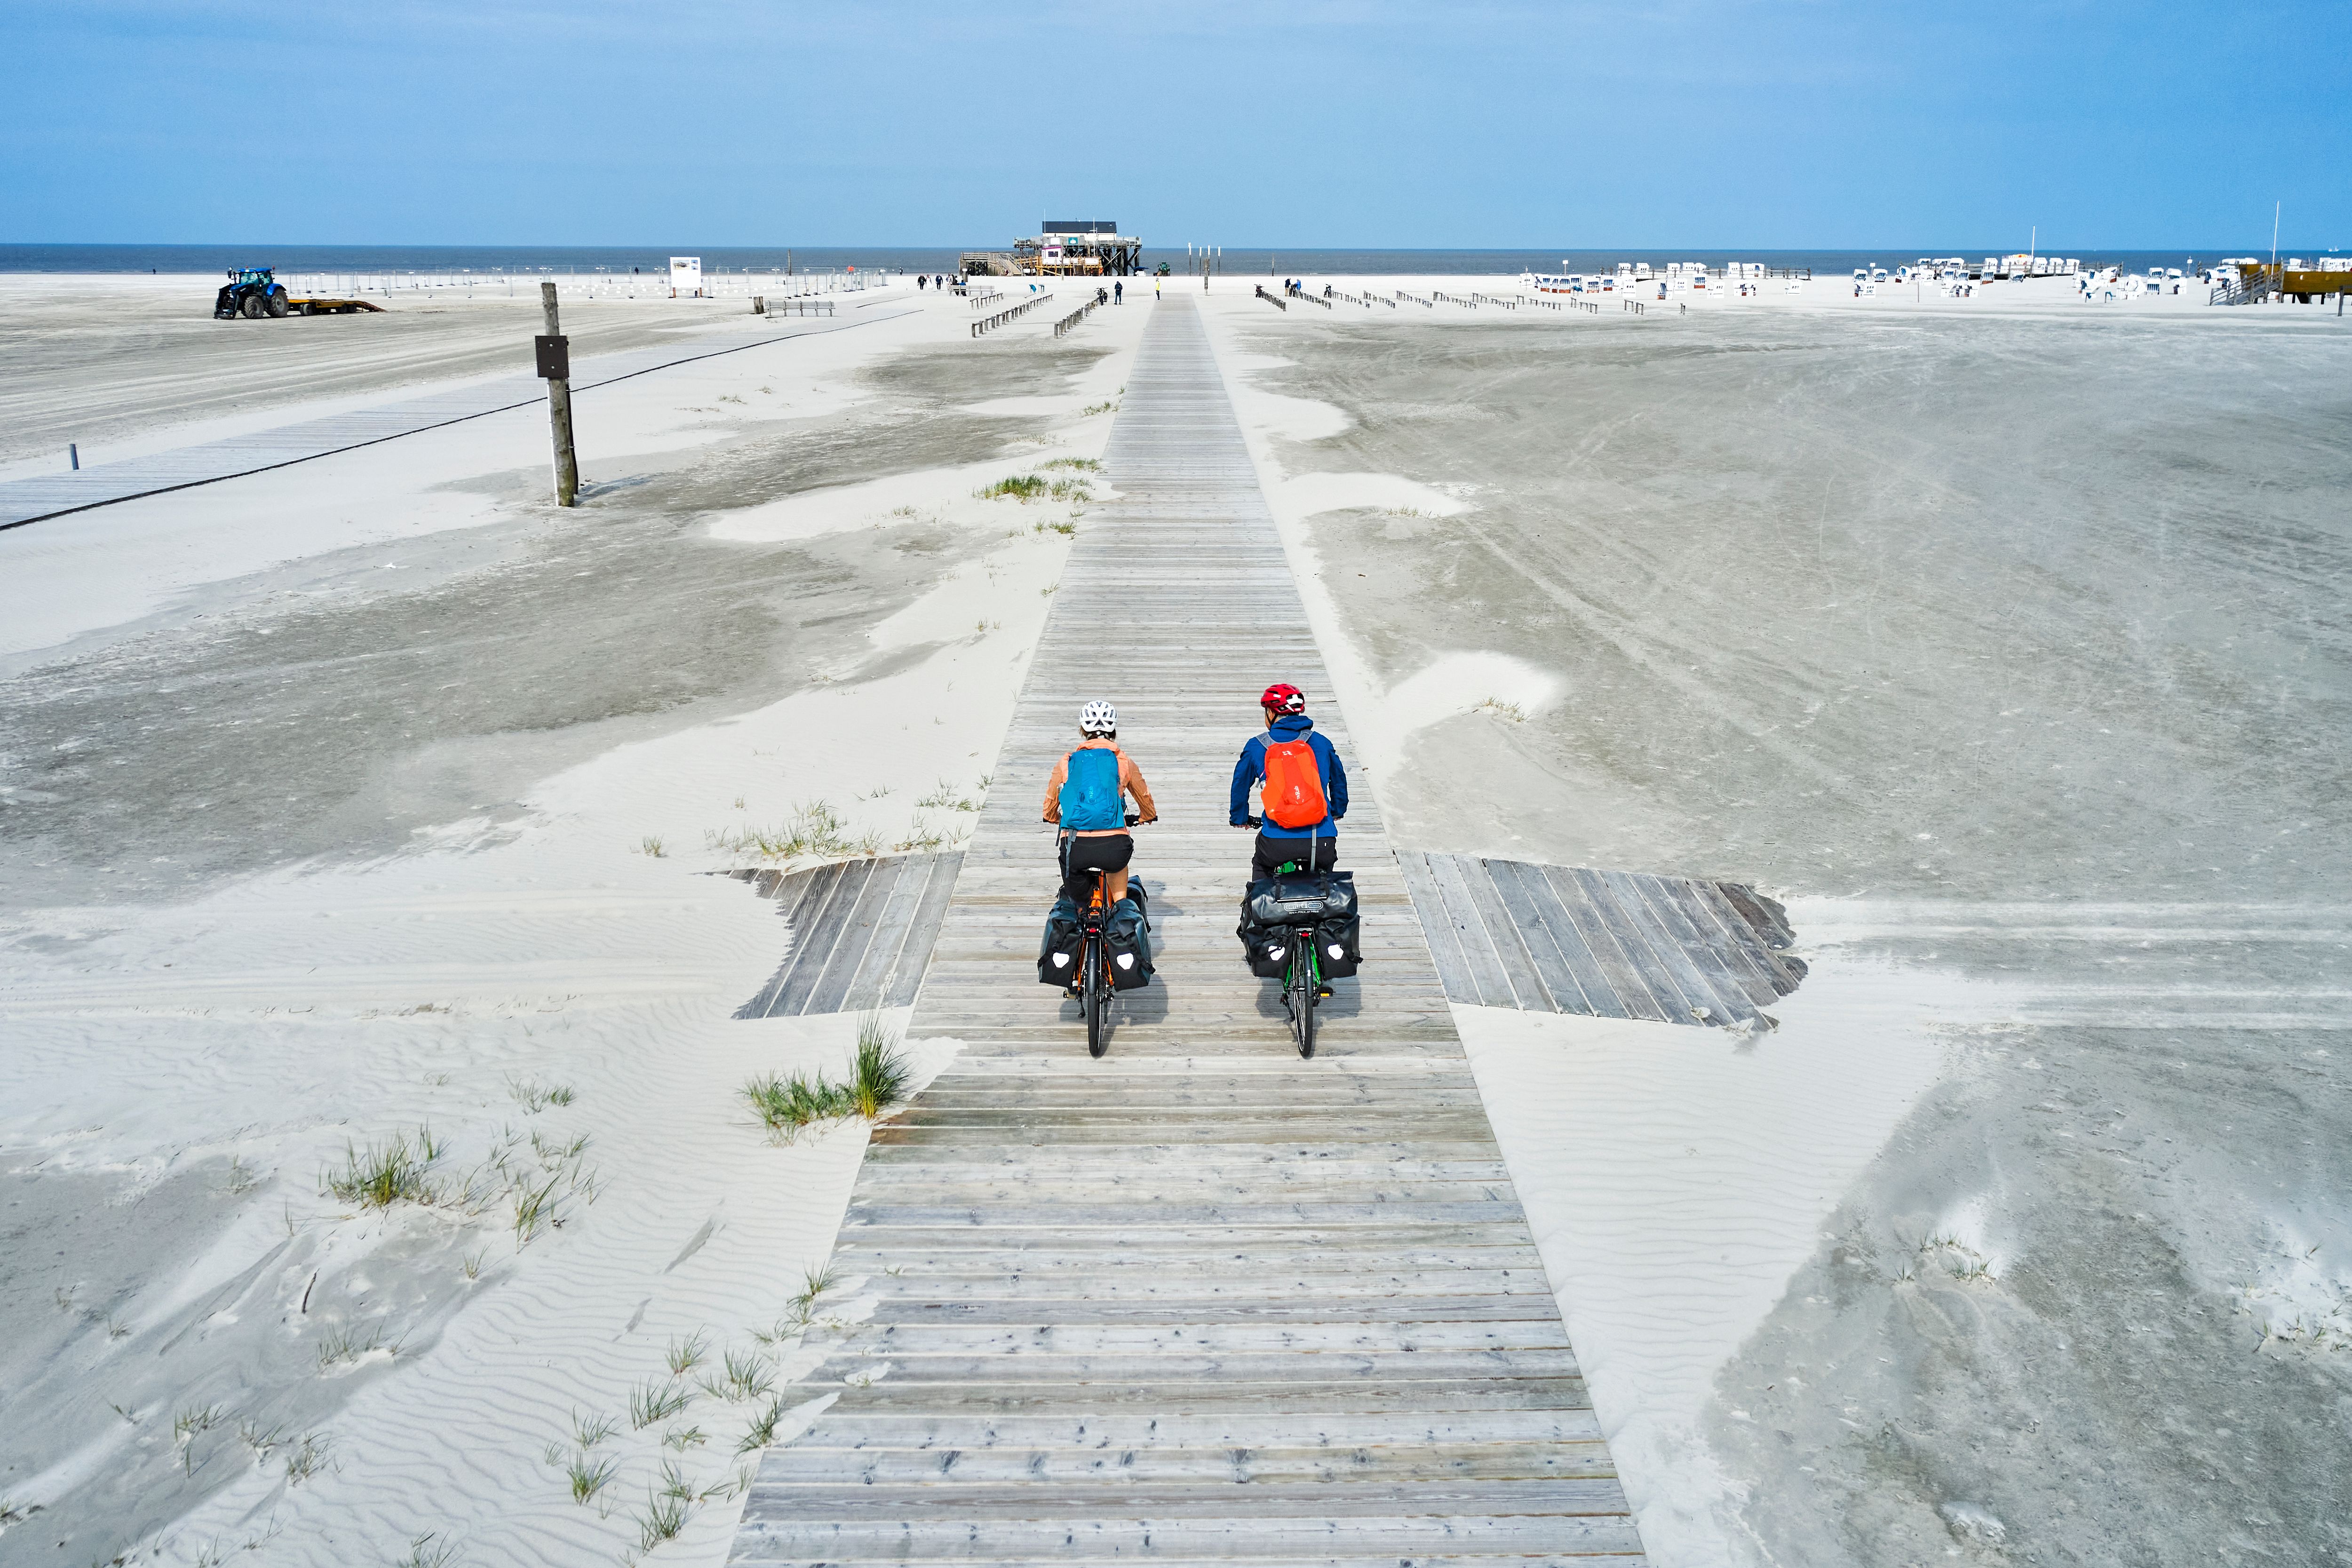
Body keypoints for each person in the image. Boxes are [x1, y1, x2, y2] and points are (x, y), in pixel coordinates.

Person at [1043, 700, 1157, 909]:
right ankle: (1121, 909)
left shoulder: (1067, 761)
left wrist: (1054, 818)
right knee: (1118, 872)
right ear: (1113, 730)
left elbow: (1050, 803)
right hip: (1114, 846)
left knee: (1079, 905)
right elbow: (1145, 797)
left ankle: (1081, 916)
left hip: (1074, 848)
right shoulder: (1122, 760)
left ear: (1083, 730)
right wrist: (1146, 816)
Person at [1230, 683, 1348, 883]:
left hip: (1276, 844)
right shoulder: (1322, 743)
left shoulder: (1257, 745)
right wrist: (1337, 811)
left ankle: (1259, 909)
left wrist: (1240, 818)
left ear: (1271, 714)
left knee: (1261, 867)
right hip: (1321, 842)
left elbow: (1240, 786)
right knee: (1325, 876)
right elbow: (1339, 783)